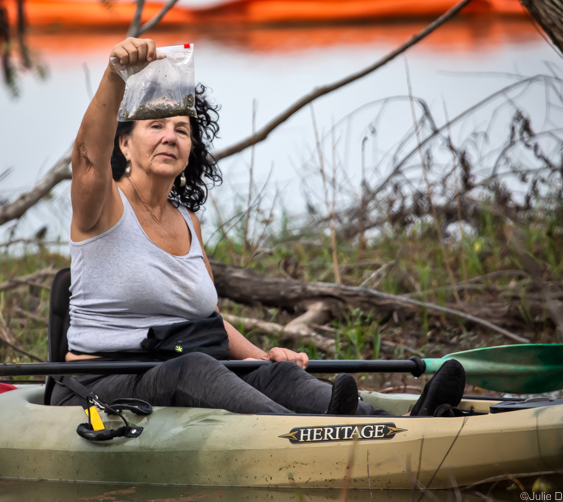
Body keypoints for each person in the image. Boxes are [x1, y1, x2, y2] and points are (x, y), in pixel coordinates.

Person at [50, 37, 465, 417]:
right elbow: (87, 156)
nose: (170, 137)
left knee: (277, 374)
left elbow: (207, 318)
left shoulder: (187, 220)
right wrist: (114, 75)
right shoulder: (103, 208)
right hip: (102, 384)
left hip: (187, 362)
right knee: (194, 368)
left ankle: (400, 422)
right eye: (155, 126)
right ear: (125, 143)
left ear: (191, 147)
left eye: (182, 129)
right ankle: (307, 433)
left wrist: (263, 356)